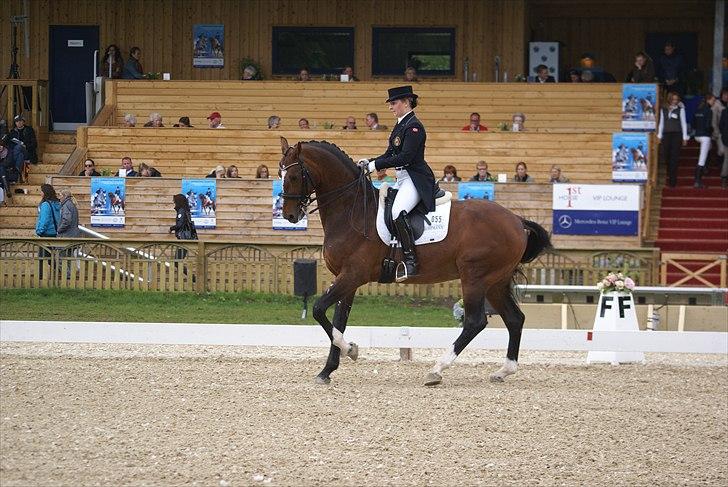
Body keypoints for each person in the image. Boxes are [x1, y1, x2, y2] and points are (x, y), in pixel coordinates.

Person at [358, 85, 437, 281]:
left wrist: (376, 165)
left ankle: (411, 261)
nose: (391, 107)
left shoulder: (414, 127)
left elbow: (405, 157)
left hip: (415, 179)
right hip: (401, 178)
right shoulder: (400, 125)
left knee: (396, 212)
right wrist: (370, 162)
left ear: (406, 102)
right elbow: (390, 154)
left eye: (393, 103)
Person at [657, 91, 689, 187]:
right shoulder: (664, 109)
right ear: (669, 99)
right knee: (667, 156)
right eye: (673, 99)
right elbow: (661, 123)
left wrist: (684, 137)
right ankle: (670, 174)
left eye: (676, 99)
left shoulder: (681, 109)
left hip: (677, 135)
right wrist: (659, 136)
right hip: (666, 135)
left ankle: (672, 181)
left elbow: (684, 123)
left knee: (674, 158)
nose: (675, 101)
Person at [691, 95, 714, 188]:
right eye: (713, 100)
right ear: (708, 100)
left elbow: (693, 124)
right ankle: (697, 181)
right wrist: (712, 131)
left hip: (697, 135)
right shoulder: (709, 111)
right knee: (701, 159)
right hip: (705, 136)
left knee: (710, 147)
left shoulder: (697, 110)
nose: (714, 102)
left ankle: (705, 167)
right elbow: (708, 126)